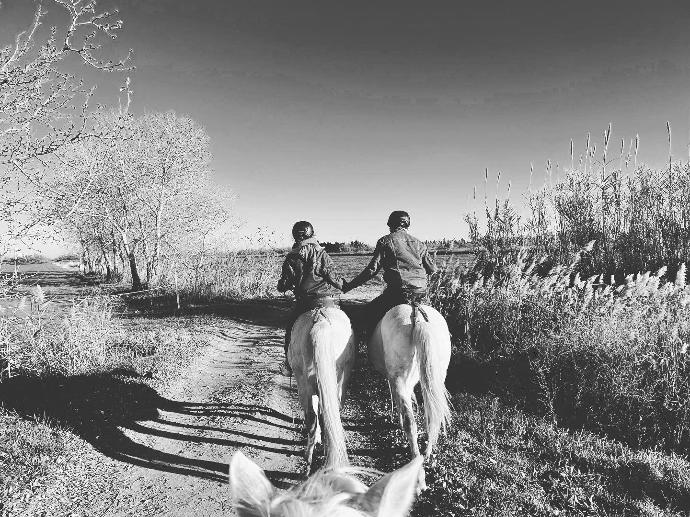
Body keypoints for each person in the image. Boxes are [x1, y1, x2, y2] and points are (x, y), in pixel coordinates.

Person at [343, 210, 437, 336]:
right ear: (407, 225)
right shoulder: (419, 243)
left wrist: (349, 286)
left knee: (367, 313)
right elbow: (432, 269)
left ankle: (368, 350)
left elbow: (372, 270)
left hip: (398, 293)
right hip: (421, 293)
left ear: (390, 225)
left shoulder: (385, 241)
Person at [277, 221, 346, 374]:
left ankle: (288, 364)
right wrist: (346, 286)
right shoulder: (322, 253)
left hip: (306, 303)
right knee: (348, 324)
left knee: (290, 331)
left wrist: (283, 285)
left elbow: (283, 284)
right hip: (330, 301)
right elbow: (334, 278)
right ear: (312, 234)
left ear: (295, 235)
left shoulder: (292, 257)